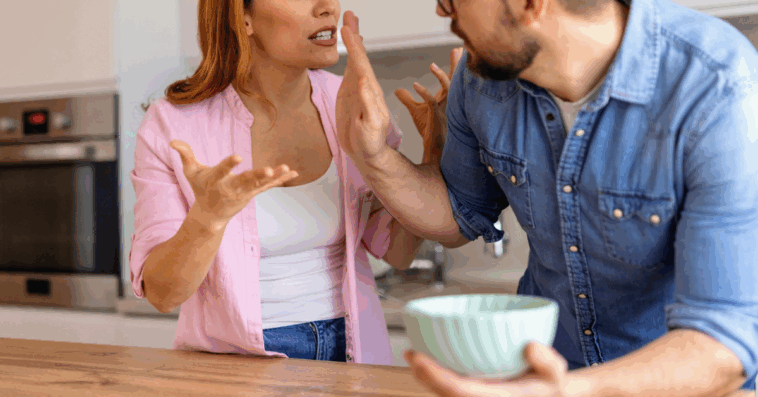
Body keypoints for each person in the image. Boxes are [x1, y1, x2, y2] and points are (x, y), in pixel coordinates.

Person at [335, 0, 758, 395]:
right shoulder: (480, 81)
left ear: (530, 4)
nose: (443, 7)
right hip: (549, 369)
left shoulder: (716, 84)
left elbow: (724, 341)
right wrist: (373, 156)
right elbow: (458, 215)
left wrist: (568, 390)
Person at [128, 0, 459, 364]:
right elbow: (163, 293)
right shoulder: (174, 124)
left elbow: (397, 250)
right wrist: (208, 219)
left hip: (353, 350)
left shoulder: (346, 100)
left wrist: (437, 149)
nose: (328, 7)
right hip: (239, 363)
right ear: (244, 17)